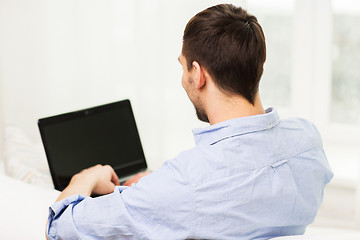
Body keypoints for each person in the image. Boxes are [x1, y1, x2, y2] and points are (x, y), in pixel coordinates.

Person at [46, 4, 333, 240]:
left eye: (183, 67)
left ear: (198, 74)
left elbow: (58, 228)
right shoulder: (308, 140)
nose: (184, 78)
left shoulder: (187, 182)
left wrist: (86, 178)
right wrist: (158, 188)